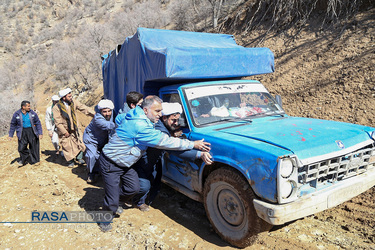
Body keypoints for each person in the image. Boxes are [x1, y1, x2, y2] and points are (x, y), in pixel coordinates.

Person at [98, 95, 211, 232]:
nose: (160, 114)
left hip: (125, 162)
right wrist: (193, 144)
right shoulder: (141, 126)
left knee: (133, 188)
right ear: (145, 110)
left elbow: (120, 118)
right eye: (157, 111)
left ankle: (116, 201)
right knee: (113, 197)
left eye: (161, 110)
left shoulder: (136, 114)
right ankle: (104, 218)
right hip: (111, 162)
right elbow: (165, 142)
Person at [133, 102, 213, 211]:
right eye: (173, 120)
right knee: (144, 185)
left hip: (154, 160)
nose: (176, 123)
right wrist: (198, 153)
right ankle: (135, 201)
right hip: (145, 162)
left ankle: (143, 200)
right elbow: (171, 148)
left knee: (153, 181)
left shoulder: (163, 125)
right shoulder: (159, 129)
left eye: (177, 120)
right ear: (164, 117)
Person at [53, 88, 95, 167]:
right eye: (69, 96)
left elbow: (83, 108)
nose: (71, 98)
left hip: (75, 127)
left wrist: (94, 114)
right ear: (64, 98)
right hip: (65, 130)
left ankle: (79, 158)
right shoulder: (56, 107)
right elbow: (57, 122)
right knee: (67, 146)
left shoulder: (73, 102)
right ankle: (70, 161)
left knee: (79, 143)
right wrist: (64, 131)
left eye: (71, 96)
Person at [83, 99, 116, 184]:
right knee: (92, 155)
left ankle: (98, 170)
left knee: (102, 155)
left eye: (109, 111)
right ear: (100, 111)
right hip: (91, 139)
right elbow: (108, 125)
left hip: (102, 139)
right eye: (104, 111)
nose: (107, 113)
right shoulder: (98, 118)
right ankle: (91, 173)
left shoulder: (112, 114)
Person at [8, 100, 43, 166]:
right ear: (23, 107)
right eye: (28, 106)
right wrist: (10, 135)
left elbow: (38, 123)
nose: (29, 107)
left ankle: (35, 161)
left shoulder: (32, 113)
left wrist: (40, 133)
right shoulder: (17, 114)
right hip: (22, 132)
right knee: (21, 148)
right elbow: (13, 124)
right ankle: (24, 158)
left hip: (32, 131)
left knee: (34, 146)